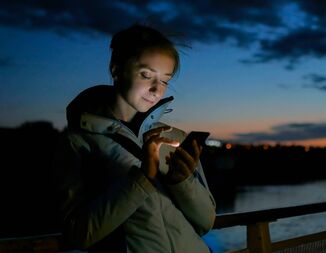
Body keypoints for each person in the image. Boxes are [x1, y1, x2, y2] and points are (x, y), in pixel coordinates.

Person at [53, 24, 216, 253]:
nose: (156, 89)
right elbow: (78, 234)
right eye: (146, 75)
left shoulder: (172, 138)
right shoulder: (78, 143)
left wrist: (181, 182)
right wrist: (143, 178)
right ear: (116, 69)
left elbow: (206, 223)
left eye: (165, 80)